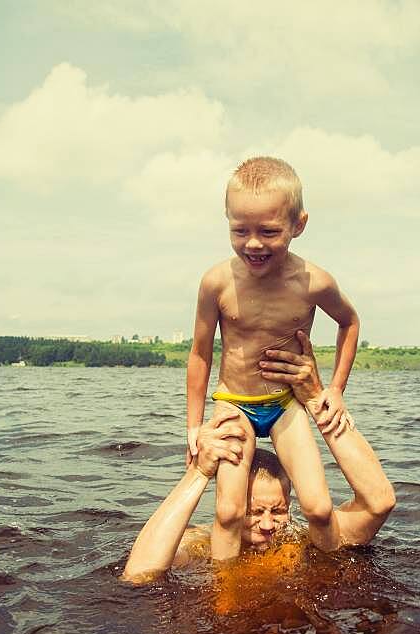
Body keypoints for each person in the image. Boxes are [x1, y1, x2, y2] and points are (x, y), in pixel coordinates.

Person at [187, 157, 361, 560]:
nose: (253, 243)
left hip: (285, 405)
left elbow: (349, 322)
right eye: (239, 230)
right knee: (229, 511)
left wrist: (335, 389)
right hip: (234, 404)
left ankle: (324, 575)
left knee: (318, 507)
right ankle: (226, 595)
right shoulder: (216, 282)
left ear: (298, 225)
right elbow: (199, 354)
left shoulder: (314, 282)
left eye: (268, 231)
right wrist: (194, 428)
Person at [123, 332, 394, 584]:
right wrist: (199, 472)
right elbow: (138, 573)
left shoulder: (304, 539)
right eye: (253, 513)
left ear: (289, 504)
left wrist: (316, 400)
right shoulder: (202, 544)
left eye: (277, 511)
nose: (266, 526)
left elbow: (379, 503)